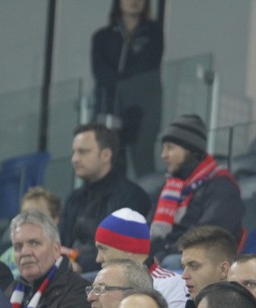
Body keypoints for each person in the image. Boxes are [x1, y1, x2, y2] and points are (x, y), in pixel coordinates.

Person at [150, 115, 243, 261]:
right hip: (168, 256)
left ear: (191, 149)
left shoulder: (222, 186)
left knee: (170, 261)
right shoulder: (168, 188)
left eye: (170, 148)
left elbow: (209, 237)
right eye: (163, 148)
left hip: (196, 259)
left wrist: (164, 253)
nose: (164, 155)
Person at [61, 124, 151, 274]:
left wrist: (82, 266)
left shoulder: (132, 197)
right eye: (74, 152)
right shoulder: (73, 199)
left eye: (83, 152)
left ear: (106, 155)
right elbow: (60, 243)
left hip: (106, 273)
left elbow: (125, 252)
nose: (75, 159)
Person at [92, 0, 164, 177]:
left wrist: (120, 82)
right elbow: (101, 73)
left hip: (143, 110)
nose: (134, 2)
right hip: (111, 109)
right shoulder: (102, 37)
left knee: (143, 163)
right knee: (112, 164)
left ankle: (145, 204)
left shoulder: (153, 33)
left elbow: (146, 67)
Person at [7, 210, 92, 308]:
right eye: (18, 247)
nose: (25, 252)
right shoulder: (11, 290)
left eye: (34, 243)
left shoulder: (78, 292)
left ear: (56, 249)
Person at [94, 207, 187, 308]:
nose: (98, 259)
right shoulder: (101, 286)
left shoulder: (172, 285)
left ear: (129, 250)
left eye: (103, 249)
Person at [177, 225, 237, 308]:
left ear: (223, 269)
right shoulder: (193, 307)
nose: (184, 275)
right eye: (183, 267)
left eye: (194, 266)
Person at [0, 187, 63, 277]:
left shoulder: (65, 256)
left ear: (55, 219)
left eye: (38, 215)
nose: (29, 220)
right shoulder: (6, 256)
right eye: (25, 215)